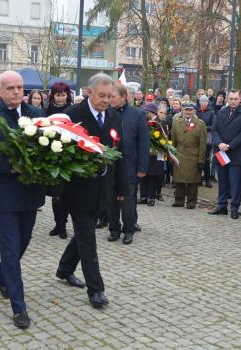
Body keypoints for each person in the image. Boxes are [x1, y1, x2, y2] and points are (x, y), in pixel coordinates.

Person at [0, 71, 46, 329]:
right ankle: (19, 306)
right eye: (11, 88)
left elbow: (46, 145)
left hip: (30, 192)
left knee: (23, 243)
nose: (17, 92)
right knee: (11, 248)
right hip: (4, 193)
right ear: (0, 91)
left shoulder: (36, 115)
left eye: (20, 87)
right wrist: (13, 166)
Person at [56, 73, 128, 309]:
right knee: (88, 238)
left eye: (110, 96)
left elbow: (119, 153)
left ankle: (65, 268)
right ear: (89, 92)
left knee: (83, 234)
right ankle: (96, 290)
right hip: (77, 188)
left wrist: (122, 187)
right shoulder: (73, 116)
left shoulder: (114, 117)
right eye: (102, 95)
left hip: (103, 188)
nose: (106, 100)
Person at [107, 84, 149, 244]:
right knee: (111, 199)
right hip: (111, 164)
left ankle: (128, 229)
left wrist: (142, 168)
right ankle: (114, 229)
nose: (110, 100)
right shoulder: (107, 113)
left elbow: (143, 143)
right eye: (109, 97)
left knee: (127, 200)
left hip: (129, 165)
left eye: (113, 97)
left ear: (124, 97)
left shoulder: (137, 115)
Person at [209, 90, 241, 219]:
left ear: (240, 100)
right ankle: (221, 206)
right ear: (227, 99)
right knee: (222, 181)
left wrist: (230, 145)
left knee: (235, 183)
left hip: (235, 154)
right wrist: (219, 143)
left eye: (235, 99)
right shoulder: (221, 112)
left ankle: (234, 207)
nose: (233, 101)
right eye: (231, 98)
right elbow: (214, 129)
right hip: (221, 153)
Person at [45, 82, 74, 239]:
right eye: (58, 94)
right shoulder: (47, 110)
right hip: (52, 156)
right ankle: (58, 223)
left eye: (63, 95)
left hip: (68, 157)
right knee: (55, 194)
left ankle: (63, 224)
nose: (61, 98)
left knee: (66, 194)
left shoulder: (72, 111)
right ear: (53, 96)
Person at [171, 102, 207, 209]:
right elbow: (173, 141)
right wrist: (172, 156)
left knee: (193, 181)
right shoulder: (176, 123)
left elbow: (202, 144)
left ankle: (191, 202)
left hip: (193, 156)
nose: (188, 112)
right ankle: (179, 201)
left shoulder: (200, 124)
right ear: (182, 110)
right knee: (179, 180)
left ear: (194, 111)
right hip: (180, 155)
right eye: (186, 109)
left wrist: (201, 160)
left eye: (190, 110)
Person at [140, 103, 166, 207]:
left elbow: (164, 138)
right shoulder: (144, 121)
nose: (145, 114)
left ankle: (151, 198)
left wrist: (155, 146)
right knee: (143, 175)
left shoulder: (159, 123)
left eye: (147, 112)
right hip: (145, 152)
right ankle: (143, 197)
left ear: (151, 113)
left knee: (152, 176)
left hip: (155, 153)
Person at [196, 95, 216, 187]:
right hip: (197, 139)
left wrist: (203, 127)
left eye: (206, 101)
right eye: (203, 101)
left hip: (207, 139)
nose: (204, 103)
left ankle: (207, 179)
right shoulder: (196, 112)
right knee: (198, 159)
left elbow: (214, 126)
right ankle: (198, 178)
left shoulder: (211, 112)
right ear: (200, 102)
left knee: (206, 160)